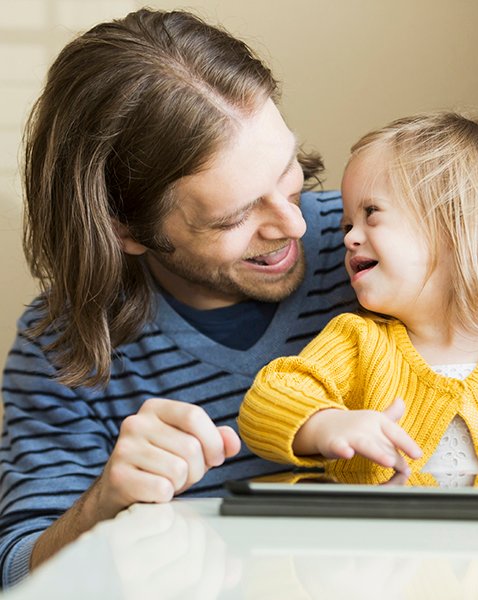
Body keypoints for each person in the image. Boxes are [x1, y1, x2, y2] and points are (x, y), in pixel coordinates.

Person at [0, 9, 358, 587]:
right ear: (126, 229)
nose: (292, 224)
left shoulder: (379, 250)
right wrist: (101, 509)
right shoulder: (61, 351)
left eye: (286, 168)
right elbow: (16, 576)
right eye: (236, 216)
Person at [239, 111, 478, 483]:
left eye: (371, 213)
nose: (348, 237)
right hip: (377, 541)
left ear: (458, 221)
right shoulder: (356, 340)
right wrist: (326, 423)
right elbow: (266, 402)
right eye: (348, 224)